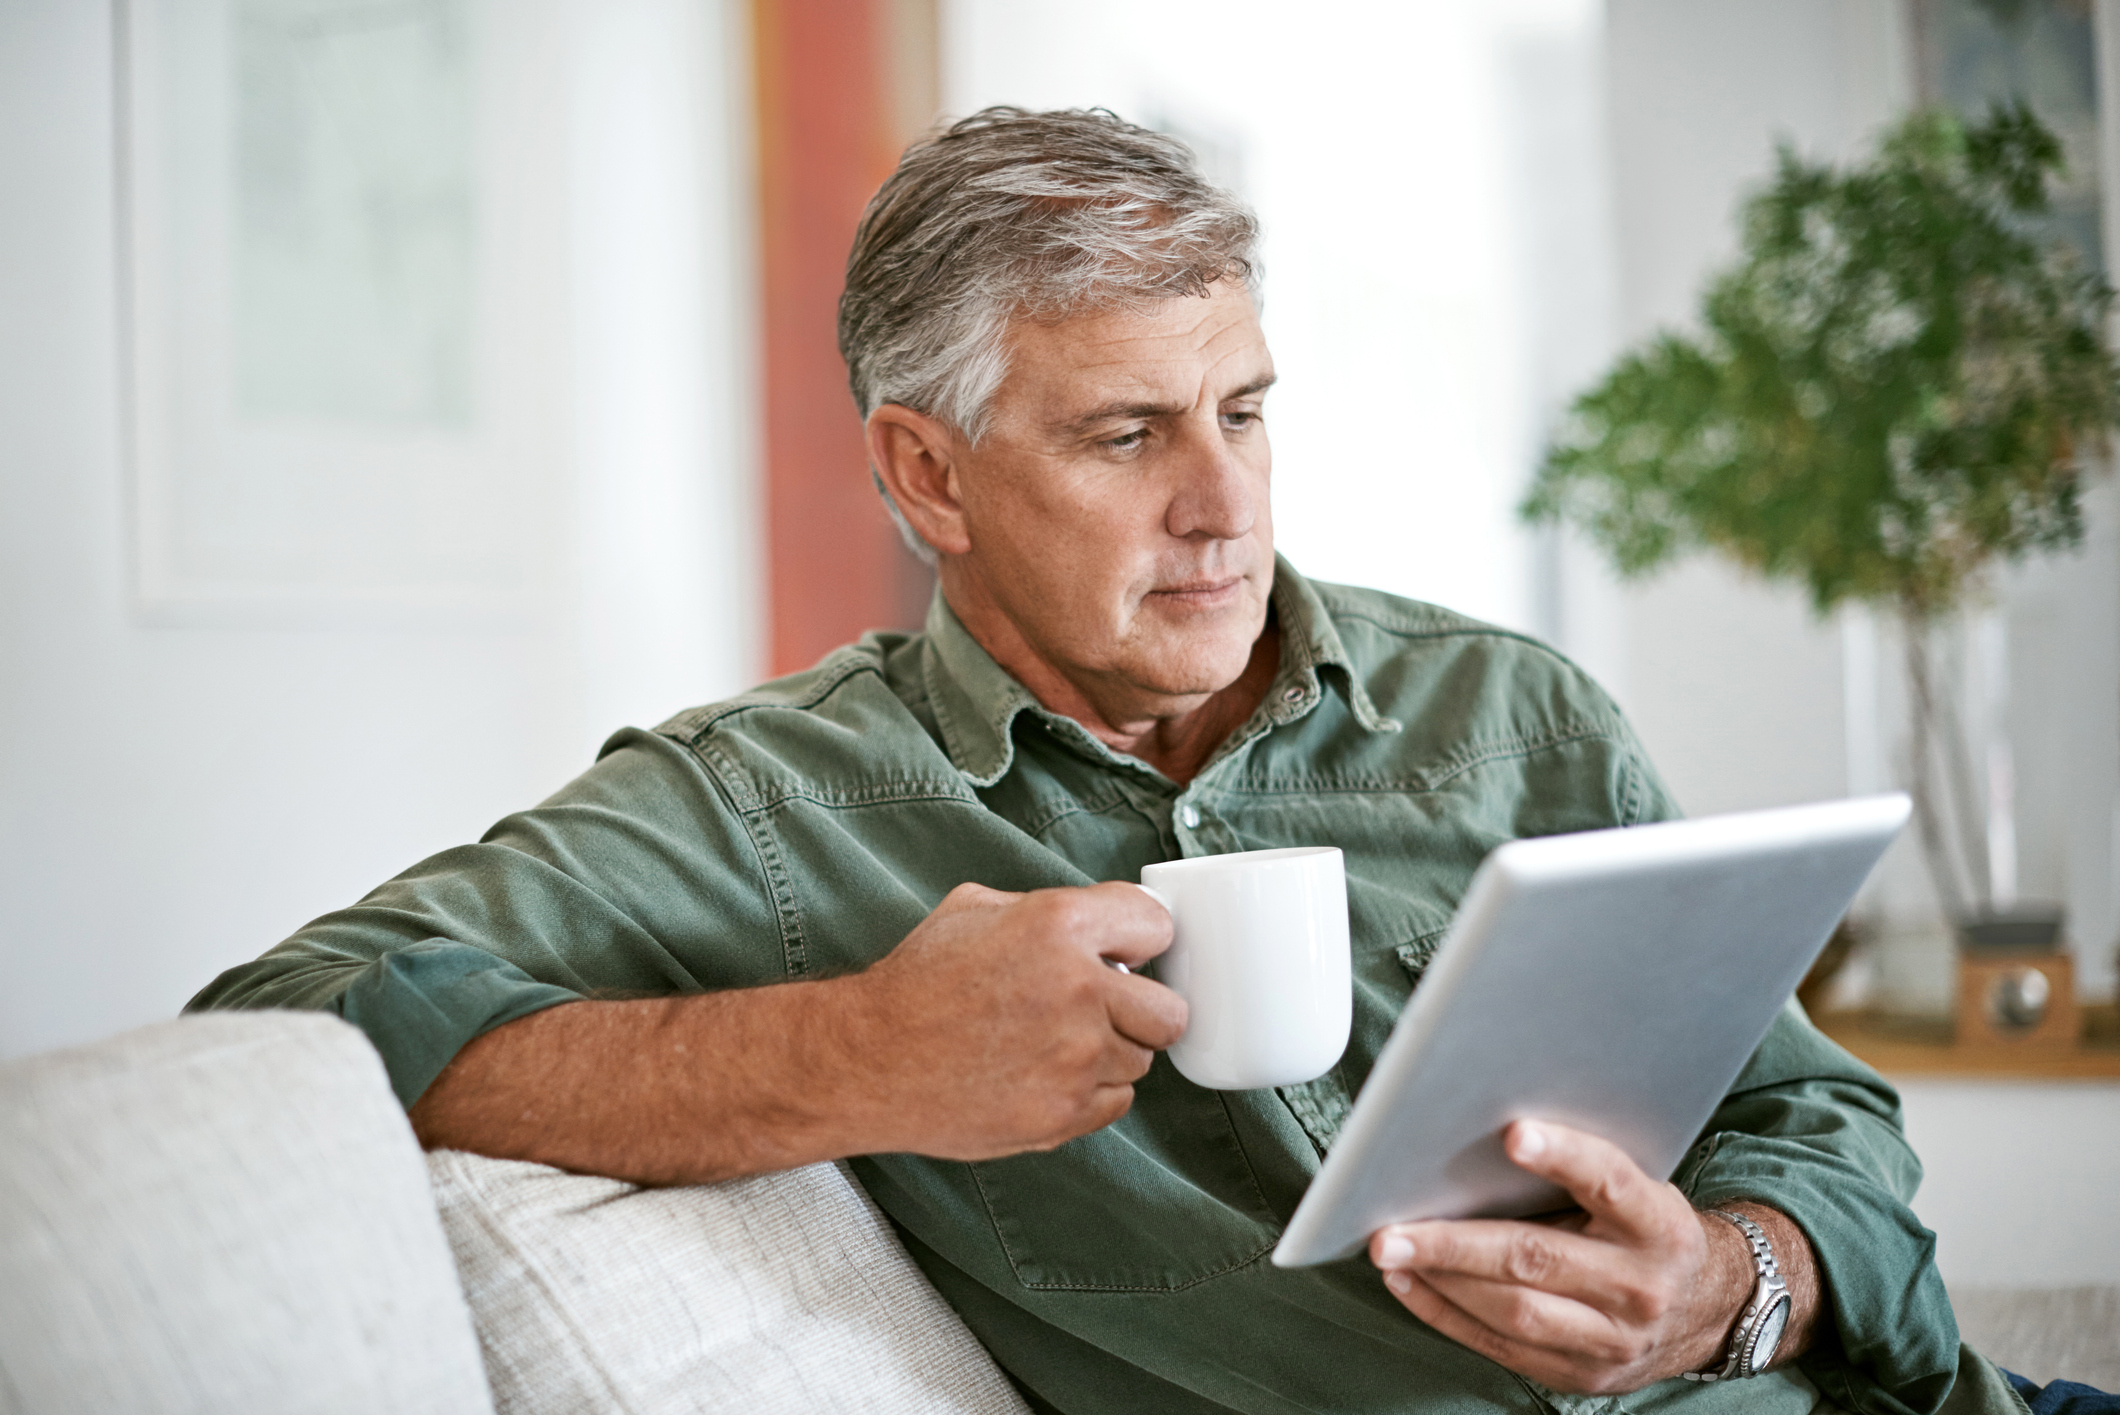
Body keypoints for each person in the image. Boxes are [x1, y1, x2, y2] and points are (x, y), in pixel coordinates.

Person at [190, 108, 2023, 1414]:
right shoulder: (774, 809)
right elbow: (286, 1021)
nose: (1225, 506)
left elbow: (1813, 1114)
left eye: (1243, 412)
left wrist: (1722, 1289)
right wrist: (855, 1055)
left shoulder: (1507, 713)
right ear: (929, 477)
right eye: (1129, 434)